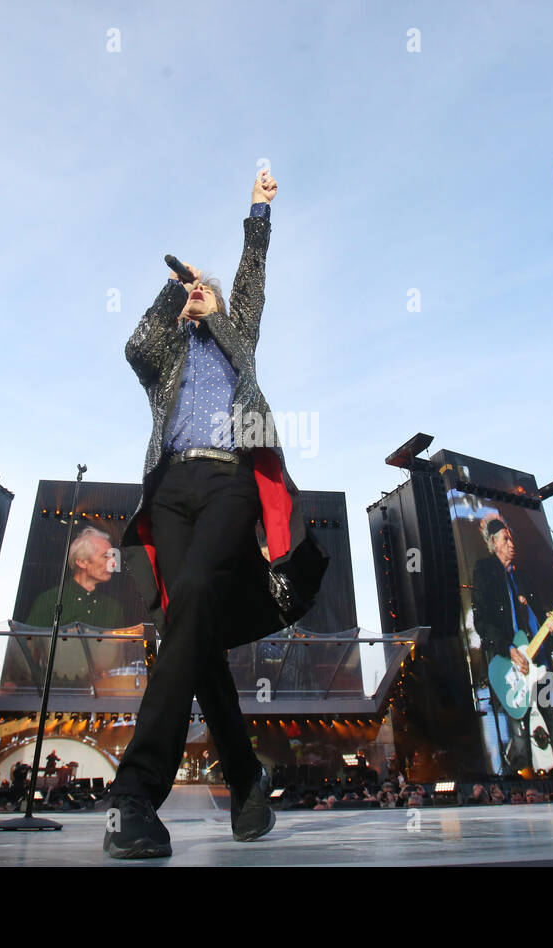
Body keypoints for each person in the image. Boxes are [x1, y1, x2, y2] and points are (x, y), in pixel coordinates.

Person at [104, 168, 328, 859]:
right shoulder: (170, 351)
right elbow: (136, 347)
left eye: (205, 289)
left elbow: (252, 277)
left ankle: (135, 794)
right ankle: (246, 776)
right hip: (169, 488)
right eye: (194, 290)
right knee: (189, 627)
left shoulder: (237, 338)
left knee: (195, 595)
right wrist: (171, 293)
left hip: (230, 479)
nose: (200, 294)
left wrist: (257, 212)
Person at [470, 515, 553, 773]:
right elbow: (482, 621)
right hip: (510, 660)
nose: (511, 544)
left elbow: (538, 614)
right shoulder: (484, 571)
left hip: (539, 658)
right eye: (506, 539)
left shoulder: (523, 577)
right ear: (493, 543)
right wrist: (509, 648)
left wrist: (550, 624)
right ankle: (522, 779)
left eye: (512, 539)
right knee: (519, 726)